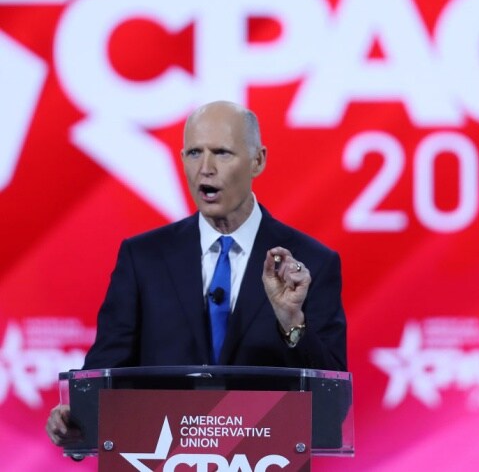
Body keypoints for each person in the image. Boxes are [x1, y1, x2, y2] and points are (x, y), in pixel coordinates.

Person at [46, 100, 347, 446]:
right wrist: (76, 421)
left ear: (258, 160)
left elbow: (333, 405)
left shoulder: (310, 263)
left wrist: (291, 322)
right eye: (193, 153)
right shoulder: (143, 259)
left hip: (265, 458)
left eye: (221, 153)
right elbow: (104, 373)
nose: (205, 168)